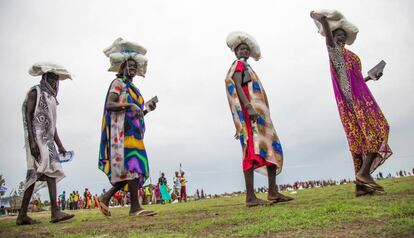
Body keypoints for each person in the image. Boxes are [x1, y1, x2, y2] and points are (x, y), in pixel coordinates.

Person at [311, 10, 392, 196]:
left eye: (343, 35)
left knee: (365, 137)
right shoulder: (335, 53)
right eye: (336, 34)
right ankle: (363, 174)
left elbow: (354, 80)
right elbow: (329, 42)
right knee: (377, 129)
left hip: (362, 97)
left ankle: (361, 187)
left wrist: (370, 78)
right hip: (351, 102)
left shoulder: (353, 57)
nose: (340, 36)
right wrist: (323, 21)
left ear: (347, 38)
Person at [224, 31, 293, 207]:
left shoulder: (248, 67)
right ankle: (250, 197)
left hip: (259, 116)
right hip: (250, 115)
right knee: (251, 151)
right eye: (241, 49)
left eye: (247, 49)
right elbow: (237, 85)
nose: (244, 52)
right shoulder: (238, 65)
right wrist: (248, 107)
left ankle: (272, 192)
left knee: (269, 146)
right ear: (235, 52)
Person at [97, 38, 157, 217]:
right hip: (122, 135)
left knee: (134, 170)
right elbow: (110, 104)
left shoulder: (134, 89)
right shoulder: (118, 84)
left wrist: (146, 110)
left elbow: (135, 116)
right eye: (129, 66)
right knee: (133, 167)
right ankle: (135, 208)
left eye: (134, 67)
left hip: (134, 133)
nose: (132, 69)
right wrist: (130, 106)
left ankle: (106, 198)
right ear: (122, 67)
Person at [17, 63, 74, 225]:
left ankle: (23, 215)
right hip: (37, 140)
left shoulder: (51, 98)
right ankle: (54, 211)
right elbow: (28, 115)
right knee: (48, 171)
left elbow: (52, 125)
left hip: (48, 142)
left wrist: (60, 145)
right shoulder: (36, 91)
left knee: (41, 173)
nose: (55, 82)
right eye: (52, 78)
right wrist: (32, 140)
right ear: (45, 77)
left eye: (57, 80)